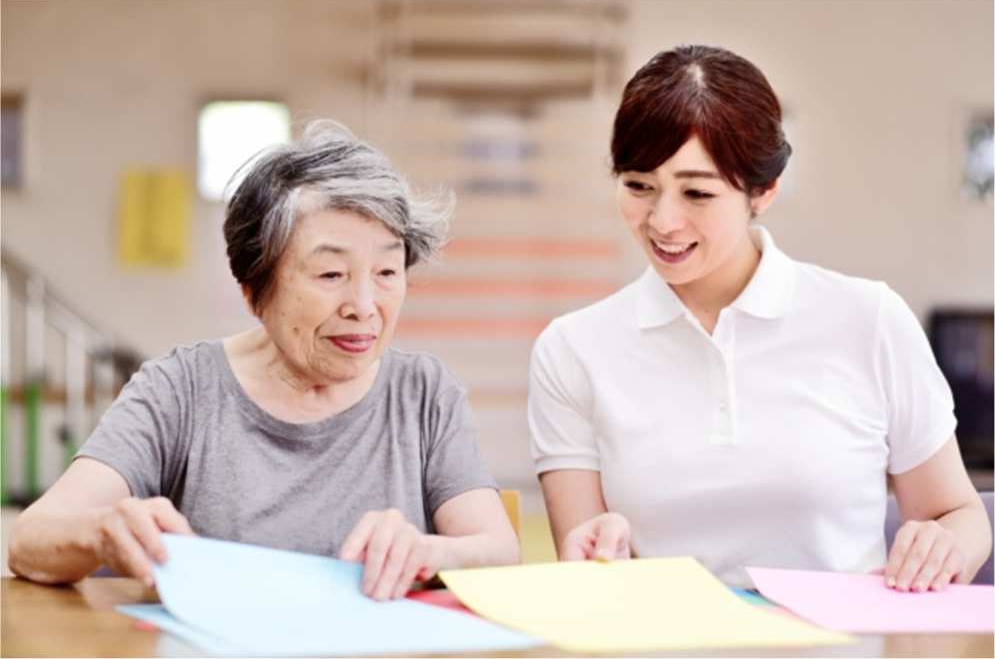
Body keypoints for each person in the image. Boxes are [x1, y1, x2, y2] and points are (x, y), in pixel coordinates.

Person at [529, 45, 991, 591]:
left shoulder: (869, 321)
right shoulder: (572, 349)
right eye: (638, 186)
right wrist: (593, 554)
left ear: (764, 191)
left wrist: (945, 544)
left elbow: (958, 515)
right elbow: (583, 563)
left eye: (697, 192)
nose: (663, 221)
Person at [9, 121, 519, 600]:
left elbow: (498, 553)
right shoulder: (180, 389)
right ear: (254, 292)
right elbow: (28, 540)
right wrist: (99, 533)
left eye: (387, 271)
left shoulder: (423, 393)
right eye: (330, 275)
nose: (364, 306)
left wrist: (428, 551)